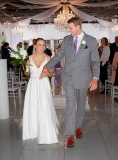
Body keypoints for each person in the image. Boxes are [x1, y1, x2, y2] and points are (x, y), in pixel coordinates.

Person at [39, 17, 100, 147]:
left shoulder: (91, 40)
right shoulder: (66, 40)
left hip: (84, 78)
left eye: (70, 27)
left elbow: (95, 62)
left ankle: (79, 126)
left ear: (78, 26)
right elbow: (59, 56)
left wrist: (95, 78)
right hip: (68, 78)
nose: (68, 30)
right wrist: (47, 66)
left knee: (81, 104)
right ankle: (70, 134)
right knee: (71, 104)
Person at [22, 38, 59, 144]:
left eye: (43, 45)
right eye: (39, 45)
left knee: (44, 106)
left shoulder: (48, 58)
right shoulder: (29, 58)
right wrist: (24, 68)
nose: (42, 47)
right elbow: (27, 74)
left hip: (43, 84)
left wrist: (45, 73)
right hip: (33, 85)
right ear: (35, 46)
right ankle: (33, 129)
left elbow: (51, 73)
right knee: (33, 106)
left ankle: (46, 129)